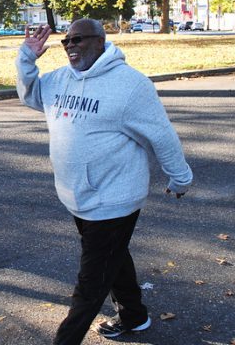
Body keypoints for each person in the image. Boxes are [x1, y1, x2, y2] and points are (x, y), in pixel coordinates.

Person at [15, 19, 193, 344]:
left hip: (114, 200)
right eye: (66, 41)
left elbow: (162, 136)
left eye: (78, 40)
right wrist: (27, 59)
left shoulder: (130, 86)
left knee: (91, 283)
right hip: (77, 195)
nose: (70, 46)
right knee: (114, 256)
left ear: (100, 41)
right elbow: (31, 95)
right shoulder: (59, 80)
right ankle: (134, 317)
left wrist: (180, 178)